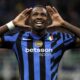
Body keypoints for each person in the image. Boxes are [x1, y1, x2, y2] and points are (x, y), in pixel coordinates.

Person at [0, 5, 80, 80]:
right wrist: (13, 24)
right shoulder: (18, 38)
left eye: (43, 15)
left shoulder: (59, 38)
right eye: (35, 14)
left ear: (48, 20)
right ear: (29, 20)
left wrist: (63, 23)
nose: (39, 17)